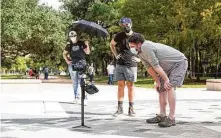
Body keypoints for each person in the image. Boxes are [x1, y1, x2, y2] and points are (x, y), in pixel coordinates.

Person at [128, 33, 188, 127]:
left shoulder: (146, 47)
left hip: (178, 63)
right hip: (166, 67)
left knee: (169, 86)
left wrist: (167, 80)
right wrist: (158, 81)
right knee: (161, 89)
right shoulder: (140, 52)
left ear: (139, 44)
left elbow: (155, 65)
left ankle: (172, 118)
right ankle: (162, 115)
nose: (131, 48)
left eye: (132, 46)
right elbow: (149, 68)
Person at [110, 17, 140, 117]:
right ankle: (119, 109)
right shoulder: (119, 35)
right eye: (123, 25)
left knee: (130, 87)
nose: (125, 26)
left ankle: (131, 109)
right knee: (120, 86)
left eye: (127, 24)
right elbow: (112, 44)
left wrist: (140, 59)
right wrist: (115, 54)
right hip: (120, 63)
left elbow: (143, 49)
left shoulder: (137, 36)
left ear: (131, 24)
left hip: (131, 65)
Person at [63, 30, 90, 104]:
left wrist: (87, 44)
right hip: (73, 64)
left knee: (82, 80)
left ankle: (84, 97)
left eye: (74, 36)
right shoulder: (69, 45)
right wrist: (67, 61)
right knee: (75, 82)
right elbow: (64, 54)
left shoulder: (81, 43)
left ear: (76, 36)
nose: (72, 37)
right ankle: (76, 97)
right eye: (71, 36)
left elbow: (87, 52)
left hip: (81, 63)